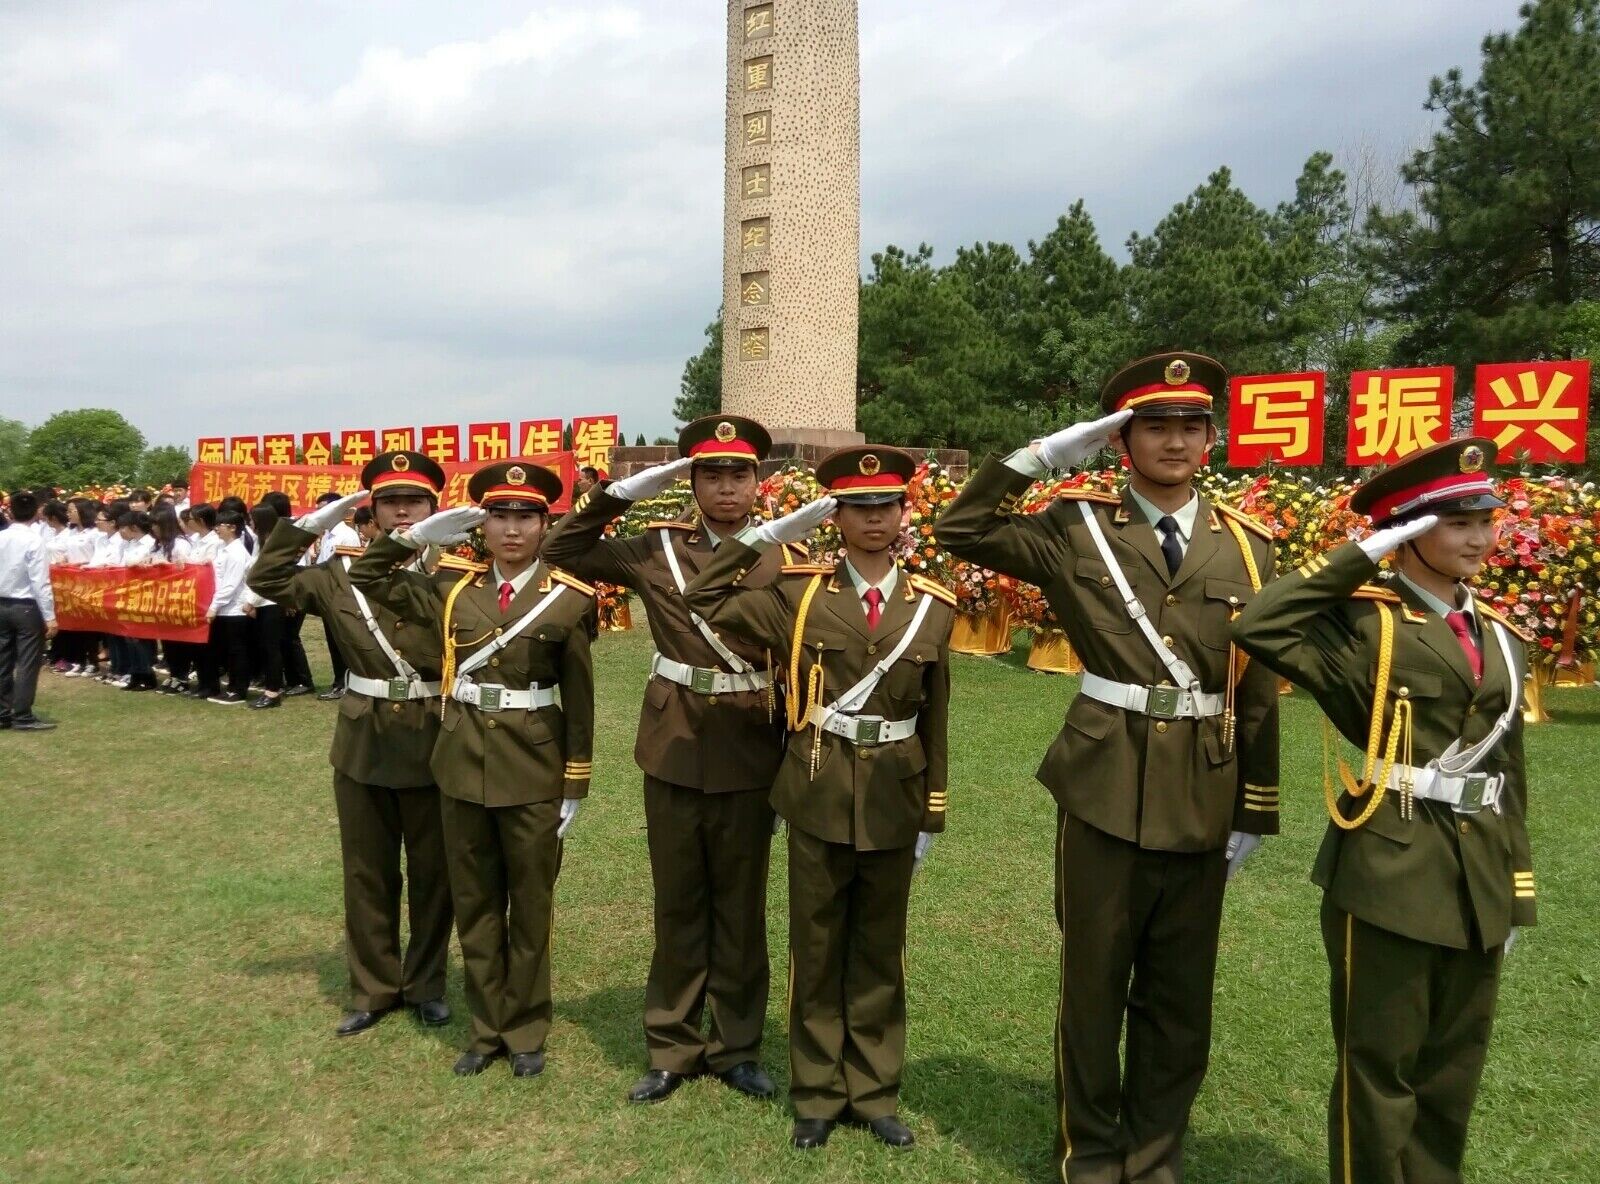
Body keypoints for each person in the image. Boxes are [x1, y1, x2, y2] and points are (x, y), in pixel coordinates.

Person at [936, 352, 1282, 1184]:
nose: (1174, 440)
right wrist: (1045, 457)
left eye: (1190, 425)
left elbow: (1261, 680)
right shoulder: (1076, 526)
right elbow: (961, 529)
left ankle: (1154, 1156)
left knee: (1179, 995)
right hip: (1102, 782)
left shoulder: (1249, 544)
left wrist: (1255, 805)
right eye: (1153, 425)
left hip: (1204, 785)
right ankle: (1089, 1154)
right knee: (1093, 986)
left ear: (1212, 437)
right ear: (1121, 439)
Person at [1230, 436, 1534, 1184]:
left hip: (1479, 877)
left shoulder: (1499, 633)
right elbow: (1259, 625)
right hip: (1391, 867)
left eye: (1485, 520)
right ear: (1408, 529)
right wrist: (1362, 556)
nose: (1478, 537)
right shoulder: (1365, 625)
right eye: (1455, 522)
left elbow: (1509, 770)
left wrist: (1517, 887)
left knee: (1453, 1068)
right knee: (1380, 1067)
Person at [683, 445, 955, 1151]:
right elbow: (704, 597)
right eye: (857, 507)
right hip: (816, 785)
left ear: (903, 514)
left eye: (885, 505)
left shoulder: (932, 607)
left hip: (895, 792)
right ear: (835, 516)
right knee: (817, 944)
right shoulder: (798, 595)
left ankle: (874, 1090)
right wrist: (763, 539)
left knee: (878, 950)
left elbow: (937, 714)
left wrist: (934, 807)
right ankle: (817, 1093)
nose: (873, 518)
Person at [543, 415, 798, 1105]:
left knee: (740, 906)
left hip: (750, 739)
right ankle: (673, 1045)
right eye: (710, 473)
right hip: (674, 741)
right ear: (690, 480)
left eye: (737, 473)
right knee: (679, 901)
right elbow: (561, 547)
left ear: (757, 481)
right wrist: (620, 495)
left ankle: (737, 1047)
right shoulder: (655, 548)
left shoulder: (785, 552)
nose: (724, 487)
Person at [350, 461, 596, 1078]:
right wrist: (417, 535)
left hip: (534, 769)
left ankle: (527, 1029)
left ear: (546, 525)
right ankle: (486, 1029)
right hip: (459, 766)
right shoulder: (452, 589)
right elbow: (366, 572)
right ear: (480, 526)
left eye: (525, 517)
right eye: (498, 516)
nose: (511, 530)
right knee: (477, 902)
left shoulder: (569, 600)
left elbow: (580, 698)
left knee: (531, 905)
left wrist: (575, 782)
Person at [249, 452, 468, 1038]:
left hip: (432, 737)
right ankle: (373, 987)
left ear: (433, 510)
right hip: (364, 742)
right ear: (368, 513)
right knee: (367, 872)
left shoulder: (457, 576)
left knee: (433, 873)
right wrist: (309, 526)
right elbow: (264, 580)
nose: (403, 512)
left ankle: (426, 984)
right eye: (390, 502)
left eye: (416, 502)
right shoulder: (333, 575)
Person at [0, 492, 58, 731]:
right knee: (27, 662)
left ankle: (3, 712)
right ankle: (22, 714)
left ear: (10, 512)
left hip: (2, 603)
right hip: (25, 605)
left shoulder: (1, 537)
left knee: (2, 660)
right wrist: (50, 616)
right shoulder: (34, 540)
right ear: (36, 513)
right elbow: (39, 581)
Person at [312, 491, 361, 701]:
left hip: (341, 596)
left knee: (342, 643)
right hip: (329, 596)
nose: (319, 512)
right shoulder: (329, 535)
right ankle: (339, 681)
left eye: (324, 508)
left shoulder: (345, 535)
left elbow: (347, 569)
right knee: (333, 642)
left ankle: (345, 683)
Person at [204, 509, 254, 705]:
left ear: (232, 528)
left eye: (220, 526)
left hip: (235, 609)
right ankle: (232, 687)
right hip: (225, 608)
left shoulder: (236, 552)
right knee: (227, 650)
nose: (217, 529)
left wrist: (214, 606)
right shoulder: (223, 549)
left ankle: (238, 689)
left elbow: (230, 585)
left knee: (237, 651)